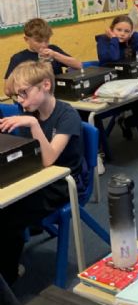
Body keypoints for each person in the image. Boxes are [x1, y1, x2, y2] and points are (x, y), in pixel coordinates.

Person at [0, 61, 86, 285]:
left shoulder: (67, 115)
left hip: (63, 185)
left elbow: (48, 159)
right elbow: (26, 153)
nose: (20, 100)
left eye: (24, 93)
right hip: (36, 178)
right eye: (17, 95)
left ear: (45, 85)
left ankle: (7, 278)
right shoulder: (29, 111)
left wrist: (33, 125)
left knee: (8, 218)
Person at [96, 15, 138, 138]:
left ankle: (125, 123)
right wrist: (114, 39)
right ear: (111, 29)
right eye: (119, 30)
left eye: (127, 31)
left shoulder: (131, 40)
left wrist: (135, 35)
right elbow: (113, 57)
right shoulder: (103, 41)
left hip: (128, 85)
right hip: (110, 88)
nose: (122, 34)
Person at [4, 18, 82, 80]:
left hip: (59, 92)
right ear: (26, 39)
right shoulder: (18, 58)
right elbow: (7, 90)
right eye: (39, 41)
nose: (44, 45)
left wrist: (55, 55)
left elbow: (79, 65)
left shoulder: (53, 49)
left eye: (47, 40)